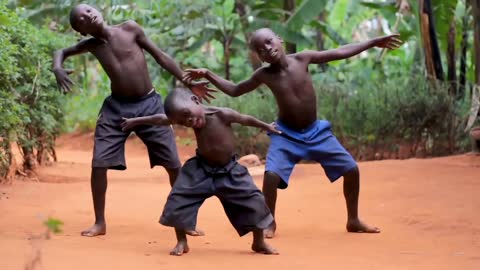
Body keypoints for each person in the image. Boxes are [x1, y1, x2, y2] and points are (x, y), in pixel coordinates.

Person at [183, 27, 402, 238]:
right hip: (285, 134)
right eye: (261, 49)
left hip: (317, 132)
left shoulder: (303, 58)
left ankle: (353, 219)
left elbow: (339, 52)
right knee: (270, 176)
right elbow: (235, 90)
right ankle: (270, 222)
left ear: (279, 39)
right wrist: (209, 74)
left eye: (269, 42)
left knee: (352, 169)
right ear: (259, 56)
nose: (267, 49)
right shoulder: (264, 75)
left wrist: (373, 42)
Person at [52, 4, 212, 237]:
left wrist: (187, 81)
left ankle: (185, 220)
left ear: (97, 10)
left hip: (150, 103)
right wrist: (57, 67)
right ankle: (99, 223)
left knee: (173, 165)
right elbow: (61, 52)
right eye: (82, 19)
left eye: (88, 10)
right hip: (116, 108)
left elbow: (161, 57)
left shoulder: (130, 29)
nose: (88, 15)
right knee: (98, 163)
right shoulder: (91, 45)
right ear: (82, 31)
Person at [121, 89, 279, 256]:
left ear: (195, 100)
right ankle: (182, 241)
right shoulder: (186, 118)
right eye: (183, 122)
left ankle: (259, 242)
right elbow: (161, 119)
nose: (188, 121)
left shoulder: (222, 114)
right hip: (201, 170)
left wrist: (266, 126)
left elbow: (245, 119)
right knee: (178, 199)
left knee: (254, 201)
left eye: (187, 114)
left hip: (229, 170)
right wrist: (136, 121)